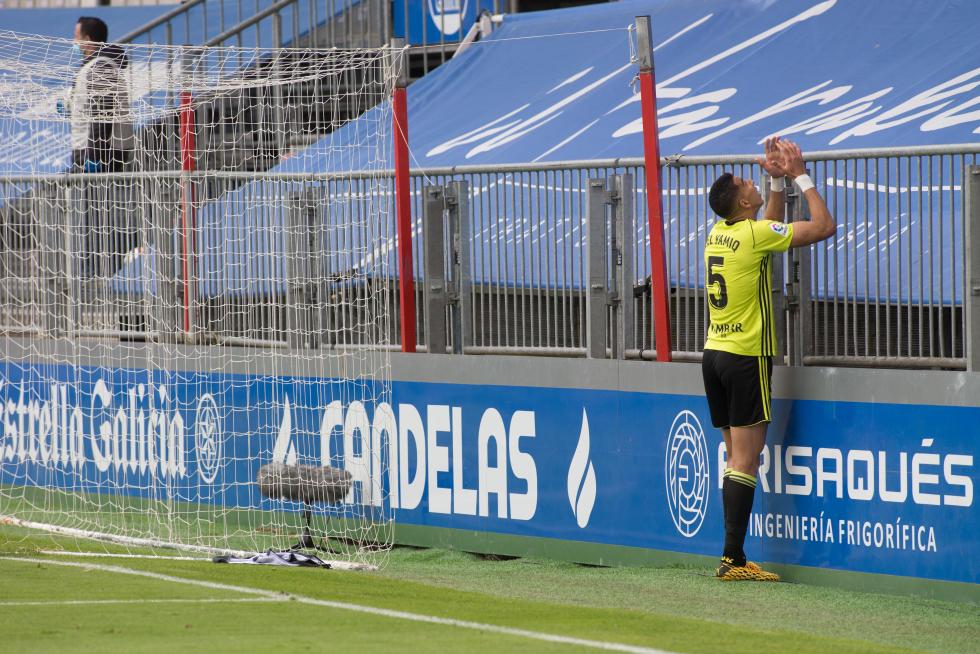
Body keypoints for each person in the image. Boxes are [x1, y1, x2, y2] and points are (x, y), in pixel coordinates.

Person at [702, 137, 835, 581]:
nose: (753, 181)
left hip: (714, 355)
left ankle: (733, 557)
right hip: (745, 357)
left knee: (736, 459)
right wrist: (798, 175)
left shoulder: (721, 232)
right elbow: (822, 227)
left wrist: (774, 181)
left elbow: (768, 230)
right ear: (743, 201)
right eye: (749, 182)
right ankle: (732, 559)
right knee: (745, 461)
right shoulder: (754, 234)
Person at [60, 16, 138, 281]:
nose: (74, 41)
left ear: (89, 40)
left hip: (100, 153)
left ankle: (97, 272)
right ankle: (92, 269)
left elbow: (102, 116)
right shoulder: (91, 66)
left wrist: (94, 156)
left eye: (76, 36)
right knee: (91, 213)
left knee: (97, 214)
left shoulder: (102, 67)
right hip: (90, 150)